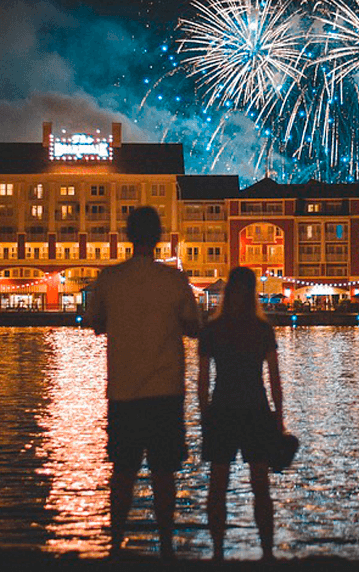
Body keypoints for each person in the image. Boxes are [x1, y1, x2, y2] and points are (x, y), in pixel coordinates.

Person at [87, 206, 201, 560]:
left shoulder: (109, 279)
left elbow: (94, 323)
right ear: (159, 238)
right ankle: (166, 547)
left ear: (126, 236)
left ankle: (116, 545)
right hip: (166, 390)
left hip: (124, 391)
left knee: (122, 471)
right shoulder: (174, 281)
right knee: (165, 473)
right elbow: (194, 326)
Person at [197, 266, 284, 562]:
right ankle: (268, 552)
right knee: (261, 486)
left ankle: (219, 552)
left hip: (221, 409)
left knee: (217, 486)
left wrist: (205, 413)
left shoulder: (212, 329)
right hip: (256, 409)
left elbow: (203, 378)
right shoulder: (262, 330)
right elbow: (274, 377)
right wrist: (279, 416)